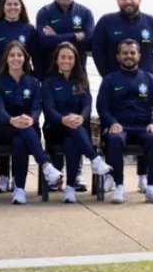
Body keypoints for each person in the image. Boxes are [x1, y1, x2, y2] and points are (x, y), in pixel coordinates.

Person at [0, 40, 65, 204]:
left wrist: (31, 119)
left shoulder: (34, 82)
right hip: (3, 127)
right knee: (20, 134)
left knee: (19, 141)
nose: (16, 58)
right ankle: (46, 165)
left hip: (28, 126)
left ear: (25, 58)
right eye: (12, 55)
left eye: (19, 55)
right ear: (6, 59)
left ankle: (19, 190)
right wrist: (12, 120)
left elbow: (37, 108)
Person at [96, 39, 153, 205]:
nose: (129, 56)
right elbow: (102, 106)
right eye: (125, 53)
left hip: (143, 127)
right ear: (118, 56)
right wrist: (112, 122)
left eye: (132, 53)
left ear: (139, 56)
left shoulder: (149, 79)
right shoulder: (110, 80)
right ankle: (119, 186)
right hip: (121, 126)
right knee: (114, 139)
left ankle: (151, 187)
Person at [41, 42, 112, 204]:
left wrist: (81, 117)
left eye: (70, 57)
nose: (67, 61)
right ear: (57, 60)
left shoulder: (81, 80)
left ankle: (70, 188)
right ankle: (94, 160)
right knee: (72, 133)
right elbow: (48, 108)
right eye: (63, 57)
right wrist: (62, 119)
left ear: (75, 60)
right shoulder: (49, 82)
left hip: (77, 127)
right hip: (55, 128)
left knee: (72, 140)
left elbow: (88, 103)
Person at [92, 0, 153, 77]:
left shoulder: (151, 22)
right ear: (118, 1)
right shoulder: (106, 22)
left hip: (144, 85)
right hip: (115, 85)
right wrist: (108, 76)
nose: (128, 1)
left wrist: (147, 63)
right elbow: (97, 52)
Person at [35, 0, 94, 75]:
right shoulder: (44, 13)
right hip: (51, 75)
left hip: (78, 76)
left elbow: (88, 42)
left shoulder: (85, 13)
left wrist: (56, 37)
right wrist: (75, 36)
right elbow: (44, 41)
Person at [0, 0, 37, 89]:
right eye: (9, 4)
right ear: (3, 7)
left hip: (22, 85)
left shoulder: (29, 29)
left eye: (16, 4)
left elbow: (37, 60)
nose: (12, 7)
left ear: (21, 7)